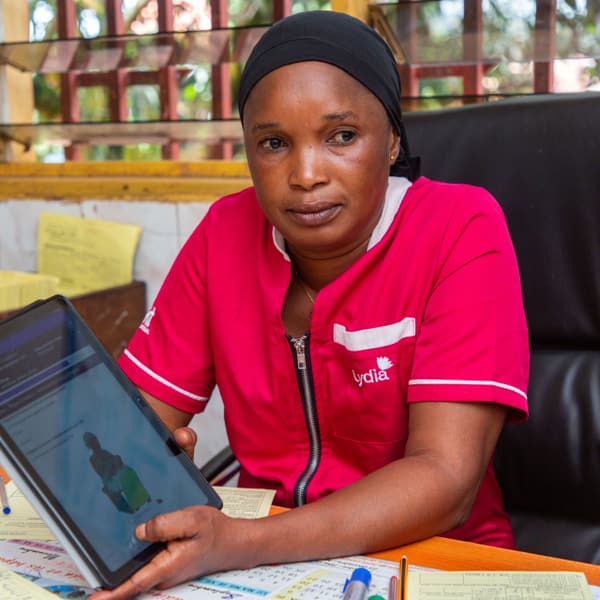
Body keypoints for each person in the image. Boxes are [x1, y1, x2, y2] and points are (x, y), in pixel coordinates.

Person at [91, 10, 529, 599]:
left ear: (393, 137)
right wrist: (149, 459)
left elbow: (445, 478)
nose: (304, 174)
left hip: (433, 565)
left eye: (341, 136)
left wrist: (238, 543)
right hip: (267, 571)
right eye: (274, 143)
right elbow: (127, 432)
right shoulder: (224, 234)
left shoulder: (461, 229)